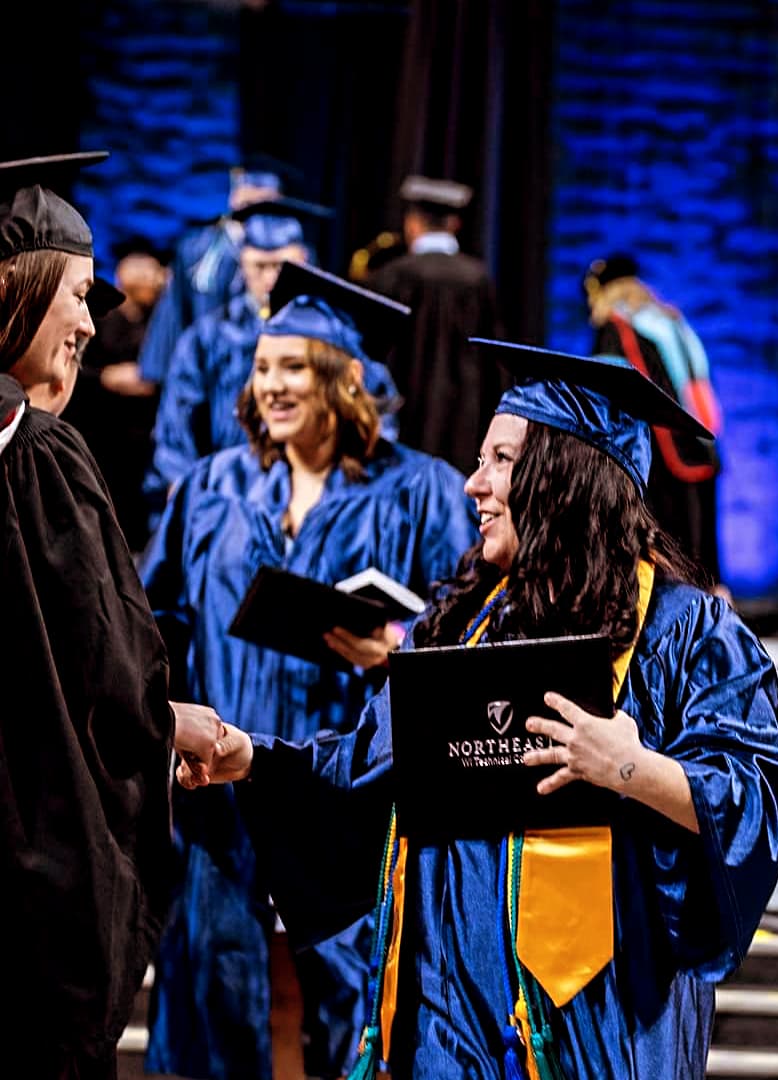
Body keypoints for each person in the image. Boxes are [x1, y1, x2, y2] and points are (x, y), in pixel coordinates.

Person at [174, 339, 778, 1079]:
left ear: (566, 476)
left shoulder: (684, 632)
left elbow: (751, 801)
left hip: (596, 1031)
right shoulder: (467, 624)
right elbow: (366, 768)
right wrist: (246, 754)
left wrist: (627, 766)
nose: (474, 485)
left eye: (501, 461)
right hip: (445, 1022)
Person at [142, 260, 479, 1080]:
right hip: (222, 782)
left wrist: (400, 647)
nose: (273, 387)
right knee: (214, 990)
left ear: (347, 377)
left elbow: (475, 638)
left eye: (294, 367)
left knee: (361, 995)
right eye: (263, 369)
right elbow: (155, 623)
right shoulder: (209, 488)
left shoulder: (424, 492)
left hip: (350, 789)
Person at [0, 151, 225, 1080]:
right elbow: (110, 670)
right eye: (80, 296)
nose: (93, 325)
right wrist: (169, 721)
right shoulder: (41, 456)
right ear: (20, 284)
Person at [145, 196, 405, 515]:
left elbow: (377, 416)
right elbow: (176, 430)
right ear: (242, 264)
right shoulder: (207, 336)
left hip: (326, 500)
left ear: (305, 260)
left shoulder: (336, 338)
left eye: (282, 267)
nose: (271, 279)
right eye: (260, 266)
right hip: (226, 501)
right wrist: (195, 503)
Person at [584, 253, 725, 584]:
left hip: (658, 455)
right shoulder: (670, 321)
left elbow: (612, 394)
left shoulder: (618, 326)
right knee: (697, 548)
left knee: (665, 551)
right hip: (698, 443)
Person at [136, 152, 322, 390]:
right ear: (235, 197)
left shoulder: (296, 253)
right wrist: (163, 375)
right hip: (208, 372)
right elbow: (175, 312)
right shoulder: (196, 250)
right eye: (247, 202)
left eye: (264, 202)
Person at [367, 173, 508, 476]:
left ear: (412, 224)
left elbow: (371, 352)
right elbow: (496, 364)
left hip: (403, 420)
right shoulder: (478, 279)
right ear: (454, 224)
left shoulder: (391, 275)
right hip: (466, 425)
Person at [63, 234, 170, 552]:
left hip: (147, 438)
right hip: (104, 434)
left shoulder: (162, 321)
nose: (150, 276)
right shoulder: (97, 319)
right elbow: (76, 371)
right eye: (141, 268)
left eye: (153, 269)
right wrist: (107, 378)